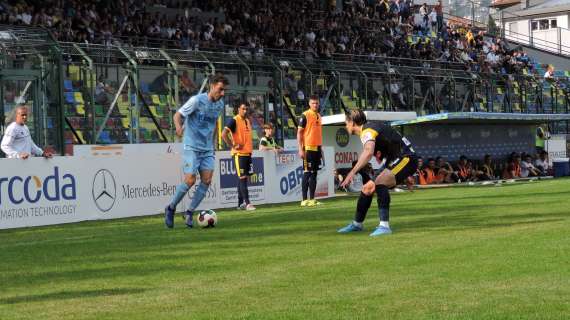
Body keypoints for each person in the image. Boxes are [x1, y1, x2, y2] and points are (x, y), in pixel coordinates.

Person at [339, 110, 418, 237]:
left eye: (346, 123)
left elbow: (368, 152)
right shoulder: (370, 128)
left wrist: (351, 173)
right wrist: (404, 175)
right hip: (397, 160)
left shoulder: (367, 131)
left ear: (352, 122)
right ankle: (357, 224)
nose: (345, 126)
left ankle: (384, 226)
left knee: (381, 182)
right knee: (367, 188)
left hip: (406, 158)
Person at [164, 75, 229, 229]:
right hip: (191, 146)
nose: (223, 93)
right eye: (221, 89)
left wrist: (213, 146)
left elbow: (213, 126)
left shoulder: (220, 105)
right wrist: (179, 128)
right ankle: (171, 208)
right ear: (212, 86)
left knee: (206, 180)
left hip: (207, 149)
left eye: (225, 90)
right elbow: (177, 115)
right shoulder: (196, 101)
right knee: (190, 180)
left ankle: (189, 212)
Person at [222, 103, 256, 211]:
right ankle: (248, 204)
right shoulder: (234, 120)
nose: (245, 111)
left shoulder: (247, 121)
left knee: (242, 178)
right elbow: (223, 134)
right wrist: (232, 145)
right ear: (238, 109)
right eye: (243, 109)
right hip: (239, 154)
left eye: (246, 109)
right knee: (242, 178)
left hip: (247, 153)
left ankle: (240, 203)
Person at [297, 95, 323, 207]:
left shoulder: (318, 115)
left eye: (317, 103)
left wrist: (320, 149)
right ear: (309, 104)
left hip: (317, 148)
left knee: (314, 173)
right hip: (307, 148)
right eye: (313, 103)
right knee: (307, 173)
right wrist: (300, 148)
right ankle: (304, 199)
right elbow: (299, 133)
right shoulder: (305, 115)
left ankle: (312, 199)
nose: (315, 105)